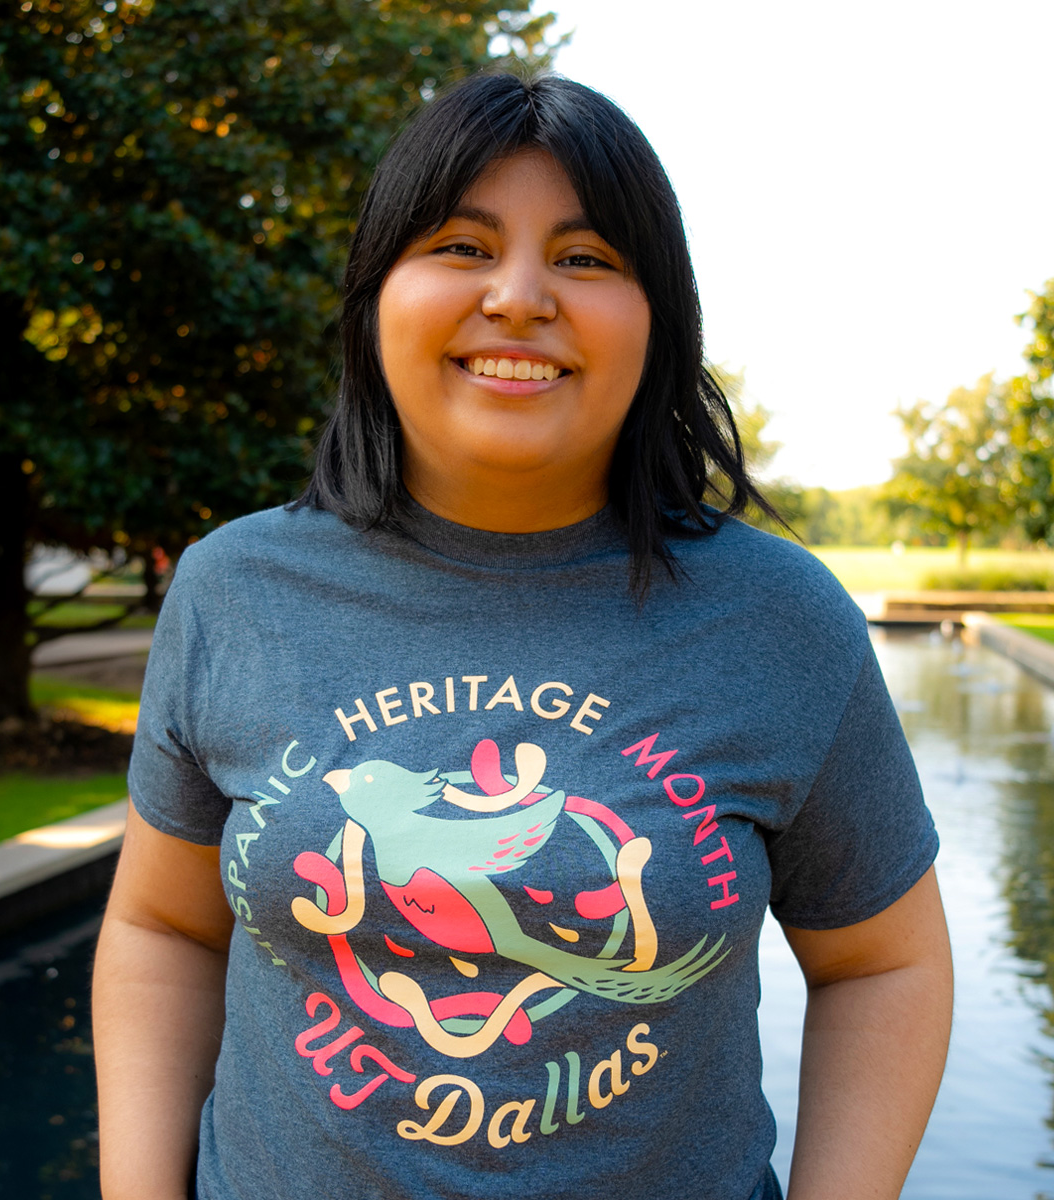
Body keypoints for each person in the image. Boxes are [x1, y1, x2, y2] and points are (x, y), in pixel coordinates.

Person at [93, 71, 953, 1200]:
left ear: (659, 317)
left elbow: (883, 964)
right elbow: (163, 928)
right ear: (377, 293)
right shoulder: (233, 591)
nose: (518, 296)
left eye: (586, 258)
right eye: (460, 243)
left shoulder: (783, 619)